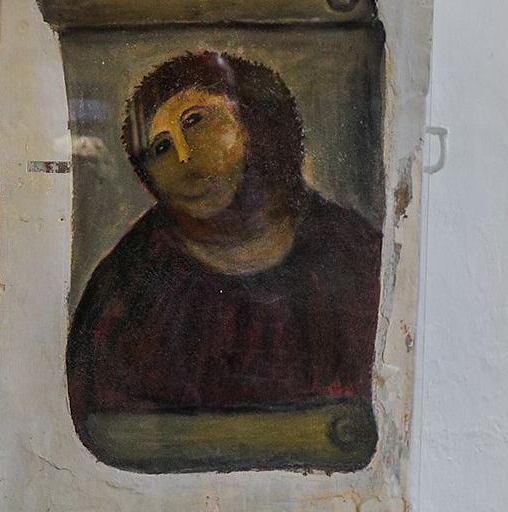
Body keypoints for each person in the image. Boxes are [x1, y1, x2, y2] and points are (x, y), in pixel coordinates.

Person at [67, 51, 382, 472]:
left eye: (195, 121)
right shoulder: (128, 288)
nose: (181, 157)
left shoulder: (353, 253)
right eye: (159, 148)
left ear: (257, 119)